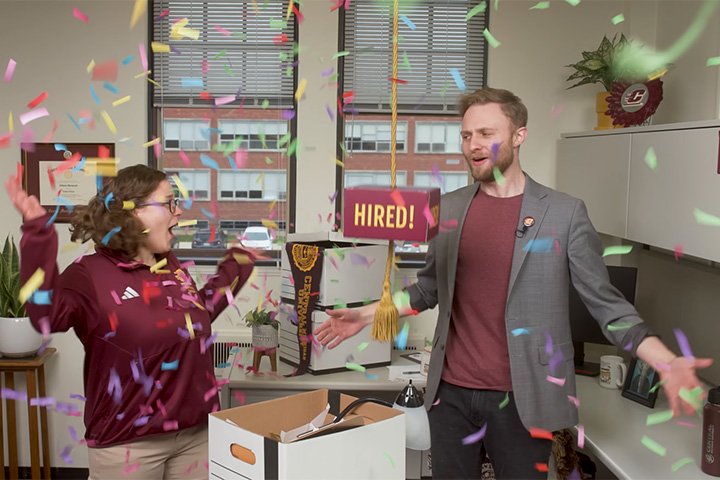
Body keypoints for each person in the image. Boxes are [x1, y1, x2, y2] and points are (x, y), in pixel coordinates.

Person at [315, 87, 713, 479]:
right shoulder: (447, 209)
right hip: (449, 396)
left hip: (525, 399)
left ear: (519, 135)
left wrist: (666, 361)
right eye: (467, 135)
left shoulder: (564, 213)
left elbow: (606, 304)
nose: (473, 145)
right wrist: (366, 315)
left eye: (487, 134)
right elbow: (427, 289)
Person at [5, 164, 255, 479]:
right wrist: (38, 234)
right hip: (128, 446)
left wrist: (239, 263)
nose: (177, 214)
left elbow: (197, 315)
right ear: (133, 212)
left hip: (196, 436)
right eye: (168, 203)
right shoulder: (88, 274)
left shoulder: (169, 265)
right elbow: (46, 318)